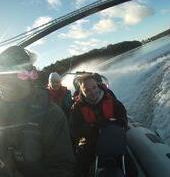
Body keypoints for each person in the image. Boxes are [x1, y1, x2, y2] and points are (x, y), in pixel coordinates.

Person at [0, 45, 75, 177]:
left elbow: (62, 169)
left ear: (28, 76)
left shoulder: (50, 114)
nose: (4, 83)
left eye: (10, 76)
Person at [70, 74, 127, 177]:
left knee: (131, 169)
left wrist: (114, 123)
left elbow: (123, 117)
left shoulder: (110, 99)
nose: (92, 92)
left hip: (113, 140)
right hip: (91, 144)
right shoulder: (77, 108)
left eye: (94, 87)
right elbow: (74, 131)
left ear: (98, 85)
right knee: (79, 170)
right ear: (81, 91)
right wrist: (94, 127)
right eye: (87, 90)